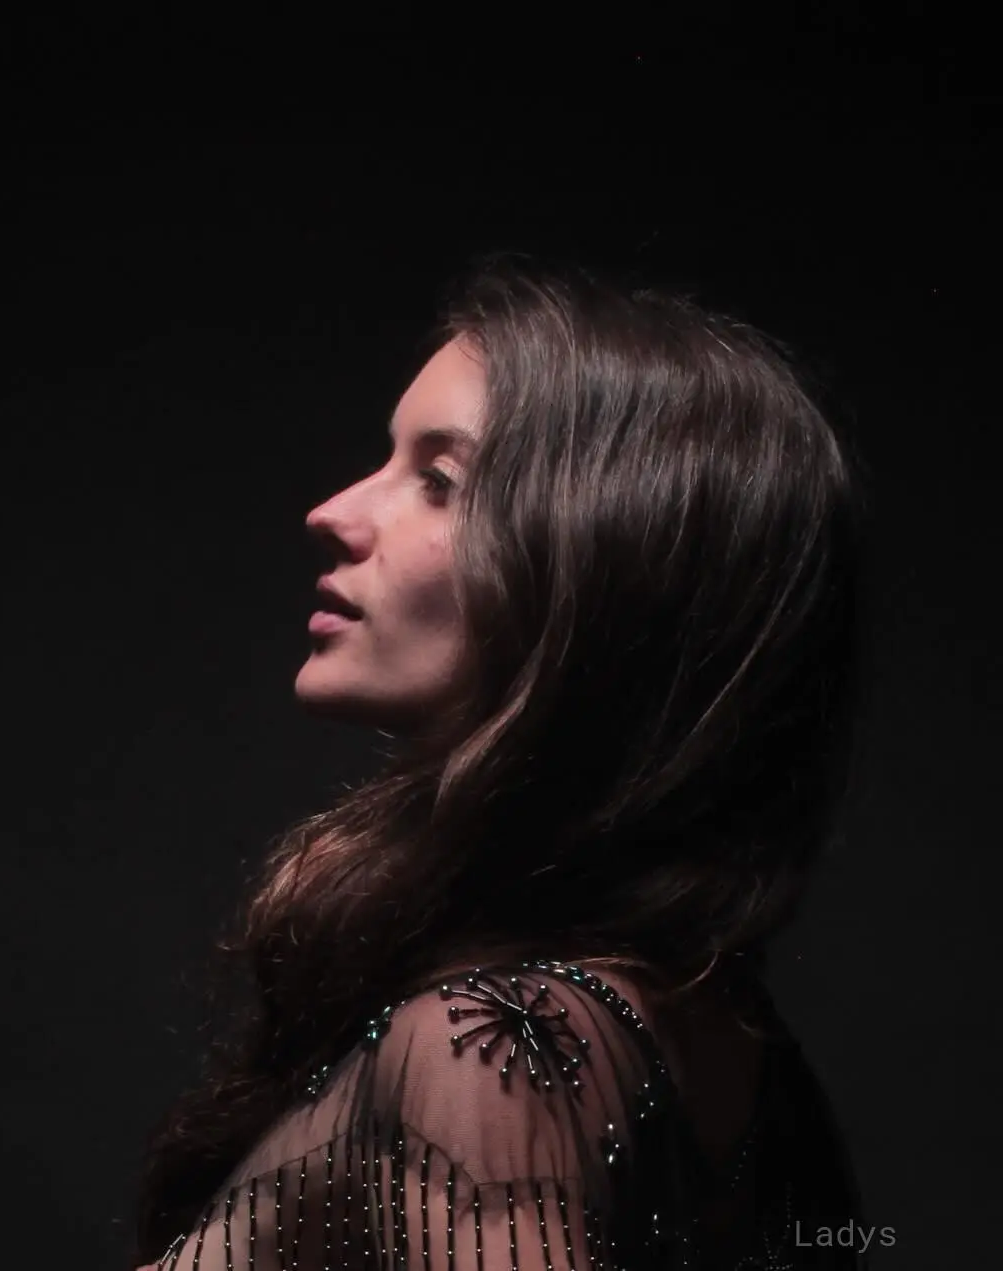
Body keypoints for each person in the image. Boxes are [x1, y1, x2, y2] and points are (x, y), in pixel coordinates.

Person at [130, 257, 874, 1270]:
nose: (335, 511)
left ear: (603, 574)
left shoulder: (488, 1055)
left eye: (438, 481)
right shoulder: (720, 1037)